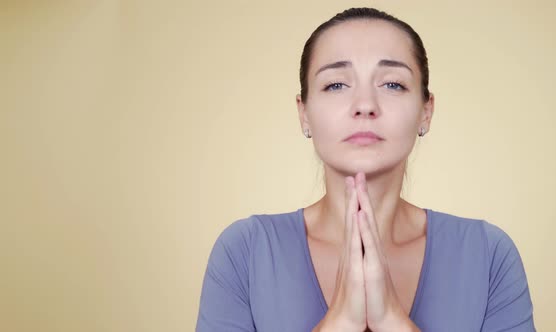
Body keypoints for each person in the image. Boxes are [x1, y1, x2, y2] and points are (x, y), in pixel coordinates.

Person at [195, 7, 535, 332]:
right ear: (304, 113)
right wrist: (339, 323)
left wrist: (392, 320)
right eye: (336, 85)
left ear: (425, 112)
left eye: (392, 84)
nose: (365, 106)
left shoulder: (488, 256)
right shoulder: (246, 252)